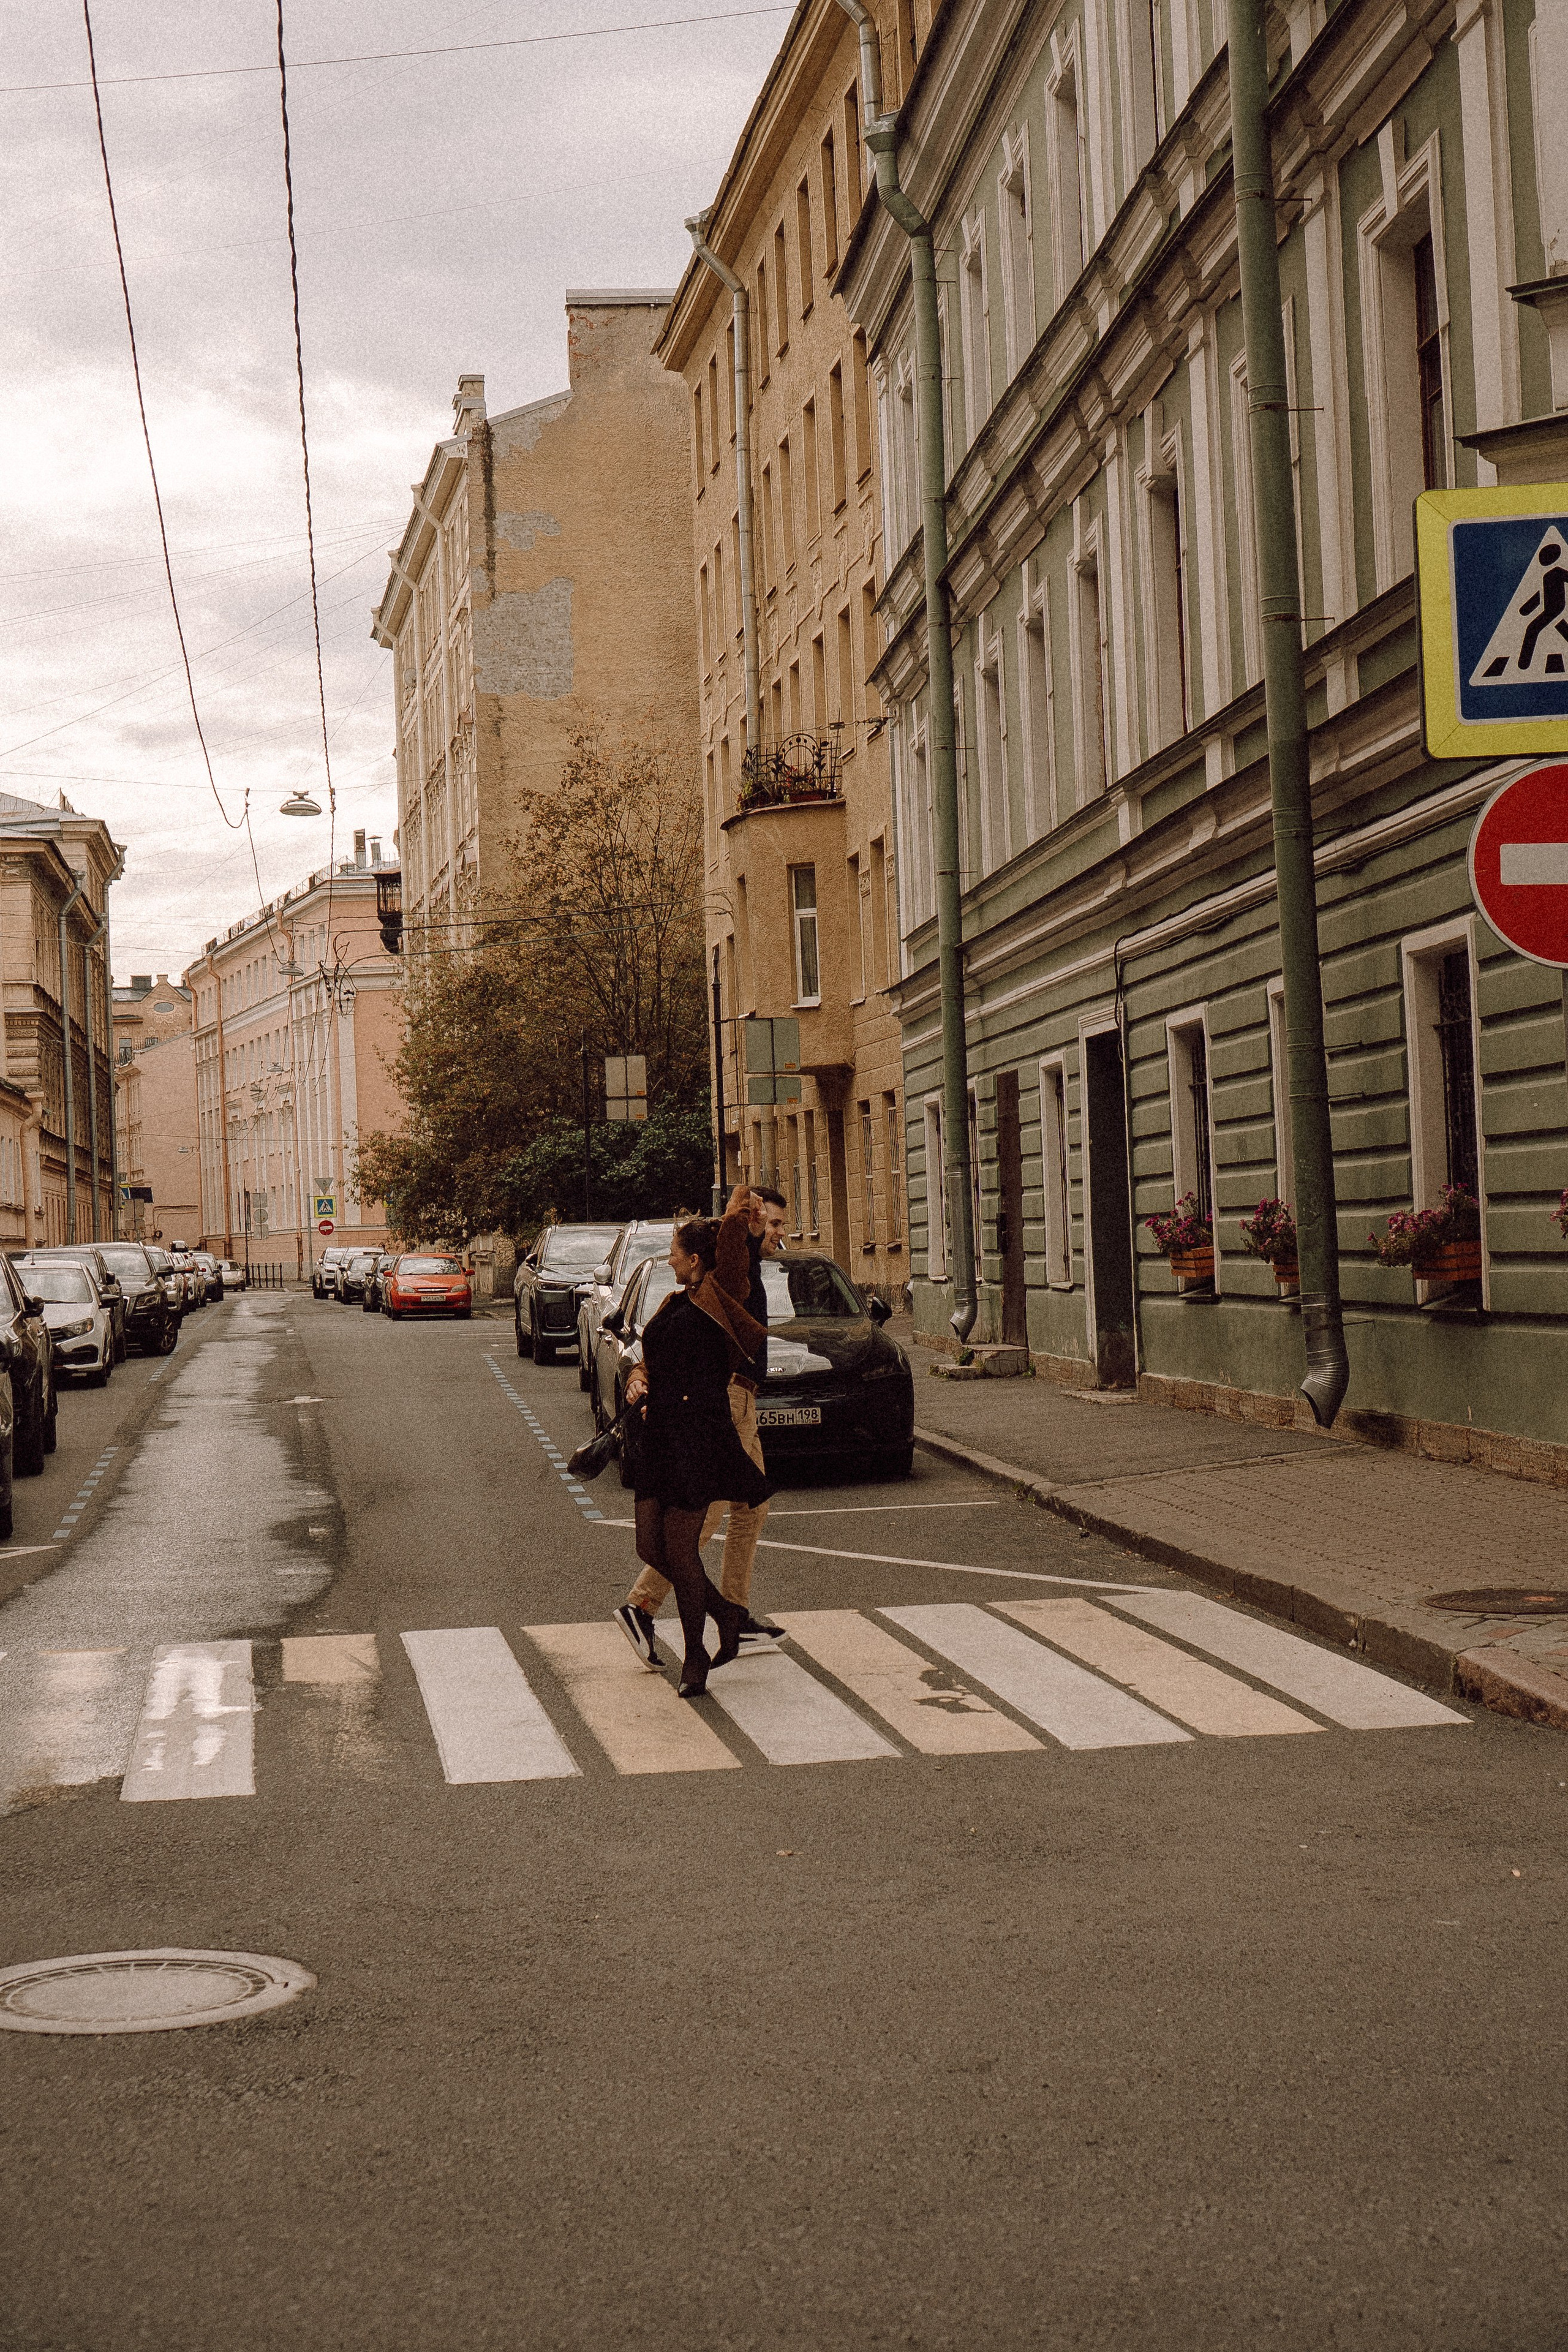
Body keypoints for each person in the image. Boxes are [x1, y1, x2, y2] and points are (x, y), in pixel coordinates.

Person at [619, 1183, 788, 1658]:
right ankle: (643, 1605)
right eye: (771, 1222)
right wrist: (737, 1219)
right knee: (707, 1510)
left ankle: (735, 1609)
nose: (779, 1231)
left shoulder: (729, 1276)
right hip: (727, 1399)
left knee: (751, 1510)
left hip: (745, 1400)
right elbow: (731, 1256)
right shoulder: (735, 1266)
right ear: (752, 1223)